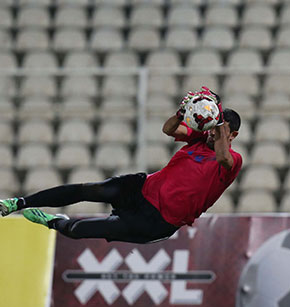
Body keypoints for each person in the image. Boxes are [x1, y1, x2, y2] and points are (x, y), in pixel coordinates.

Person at [0, 89, 242, 244]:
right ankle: (17, 203)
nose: (212, 133)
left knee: (77, 229)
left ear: (233, 135)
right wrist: (182, 113)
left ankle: (54, 222)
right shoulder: (199, 139)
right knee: (88, 189)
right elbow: (168, 129)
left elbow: (222, 157)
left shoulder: (233, 160)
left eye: (220, 130)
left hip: (157, 221)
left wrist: (218, 121)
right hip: (142, 187)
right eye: (211, 128)